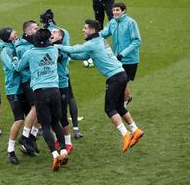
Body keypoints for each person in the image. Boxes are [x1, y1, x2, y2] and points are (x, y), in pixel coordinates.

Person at [58, 19, 144, 153]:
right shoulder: (99, 41)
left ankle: (125, 134)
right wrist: (70, 55)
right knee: (120, 106)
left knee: (109, 109)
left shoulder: (92, 43)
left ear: (92, 30)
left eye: (85, 28)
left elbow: (76, 49)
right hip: (121, 74)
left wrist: (58, 47)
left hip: (114, 78)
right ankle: (135, 129)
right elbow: (83, 55)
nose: (83, 30)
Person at [14, 28, 69, 172]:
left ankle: (55, 154)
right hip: (55, 90)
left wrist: (14, 59)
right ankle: (63, 151)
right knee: (56, 123)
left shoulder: (30, 52)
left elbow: (19, 68)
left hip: (40, 92)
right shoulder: (54, 51)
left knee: (45, 125)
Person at [40, 9, 84, 139]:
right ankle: (75, 128)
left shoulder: (45, 33)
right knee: (70, 98)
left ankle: (45, 129)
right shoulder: (63, 31)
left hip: (51, 76)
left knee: (50, 104)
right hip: (65, 72)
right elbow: (68, 50)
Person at [0, 27, 31, 164]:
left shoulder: (15, 46)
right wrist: (21, 60)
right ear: (7, 36)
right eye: (13, 32)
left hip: (22, 88)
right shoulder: (5, 51)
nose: (16, 33)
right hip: (13, 90)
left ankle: (26, 143)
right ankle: (10, 150)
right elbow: (13, 68)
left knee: (32, 115)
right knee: (19, 120)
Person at [100, 2, 142, 107]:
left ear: (124, 11)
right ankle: (125, 100)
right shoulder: (112, 22)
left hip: (130, 59)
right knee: (121, 82)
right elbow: (104, 33)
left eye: (117, 10)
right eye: (114, 10)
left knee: (122, 82)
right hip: (117, 59)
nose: (115, 12)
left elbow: (137, 41)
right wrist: (93, 35)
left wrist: (122, 54)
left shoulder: (130, 23)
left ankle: (123, 104)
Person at [14, 20, 40, 156]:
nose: (38, 30)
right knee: (36, 107)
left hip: (37, 80)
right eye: (35, 29)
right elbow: (21, 67)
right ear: (27, 31)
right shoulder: (22, 47)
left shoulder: (32, 44)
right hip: (29, 80)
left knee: (42, 109)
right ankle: (26, 138)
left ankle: (31, 138)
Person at [50, 28, 74, 154]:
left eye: (54, 32)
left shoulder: (62, 49)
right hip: (51, 85)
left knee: (63, 115)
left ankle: (68, 142)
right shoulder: (49, 47)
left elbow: (57, 57)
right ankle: (57, 140)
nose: (51, 34)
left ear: (60, 37)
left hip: (62, 84)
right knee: (53, 115)